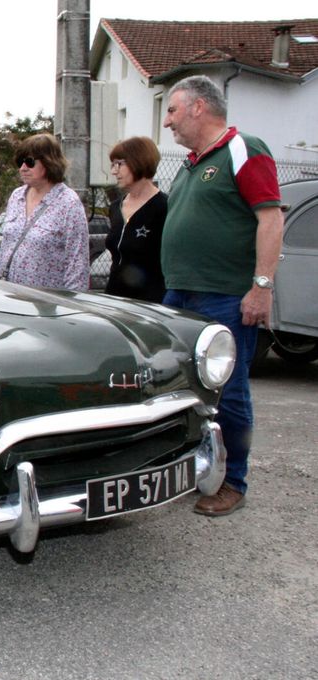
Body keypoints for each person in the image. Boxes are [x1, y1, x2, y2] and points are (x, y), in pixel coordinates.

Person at [161, 74, 283, 516]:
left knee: (228, 392)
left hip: (225, 297)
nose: (167, 123)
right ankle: (192, 468)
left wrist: (261, 287)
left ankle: (234, 481)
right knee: (174, 388)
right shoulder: (193, 162)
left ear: (198, 107)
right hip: (180, 297)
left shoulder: (242, 148)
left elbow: (270, 219)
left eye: (172, 111)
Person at [0, 133, 89, 291]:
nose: (23, 168)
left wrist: (70, 307)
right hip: (10, 297)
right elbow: (5, 249)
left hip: (45, 304)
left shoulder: (69, 203)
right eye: (20, 162)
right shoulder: (17, 196)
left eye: (29, 162)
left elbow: (77, 264)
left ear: (49, 162)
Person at [105, 136, 167, 302]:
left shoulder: (164, 207)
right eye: (112, 165)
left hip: (150, 303)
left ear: (138, 161)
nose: (114, 171)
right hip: (114, 299)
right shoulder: (116, 207)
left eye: (119, 164)